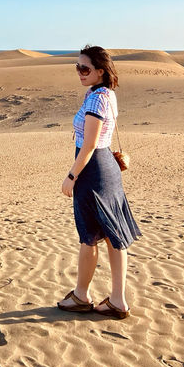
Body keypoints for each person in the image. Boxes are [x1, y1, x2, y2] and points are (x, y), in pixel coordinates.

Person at [57, 44, 141, 319]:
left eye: (85, 68)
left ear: (101, 71)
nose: (80, 73)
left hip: (93, 170)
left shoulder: (96, 100)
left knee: (89, 236)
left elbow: (90, 144)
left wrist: (71, 176)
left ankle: (82, 296)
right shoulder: (106, 94)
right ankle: (117, 300)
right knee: (113, 237)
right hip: (107, 169)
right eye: (77, 67)